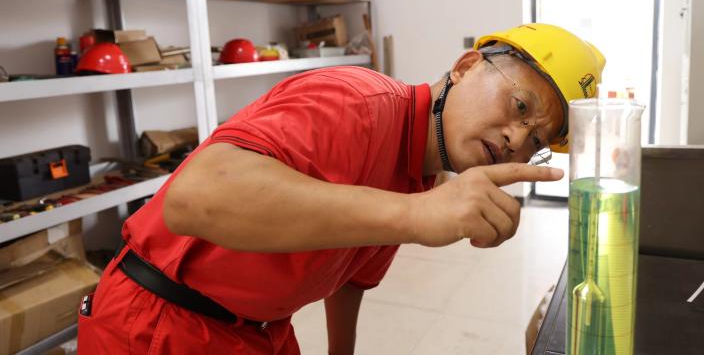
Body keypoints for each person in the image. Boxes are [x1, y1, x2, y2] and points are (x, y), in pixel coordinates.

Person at [78, 23, 604, 354]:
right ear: (466, 67)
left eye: (537, 141)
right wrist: (417, 214)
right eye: (519, 106)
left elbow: (352, 279)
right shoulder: (356, 103)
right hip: (159, 325)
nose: (517, 139)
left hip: (259, 331)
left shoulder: (419, 172)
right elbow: (194, 197)